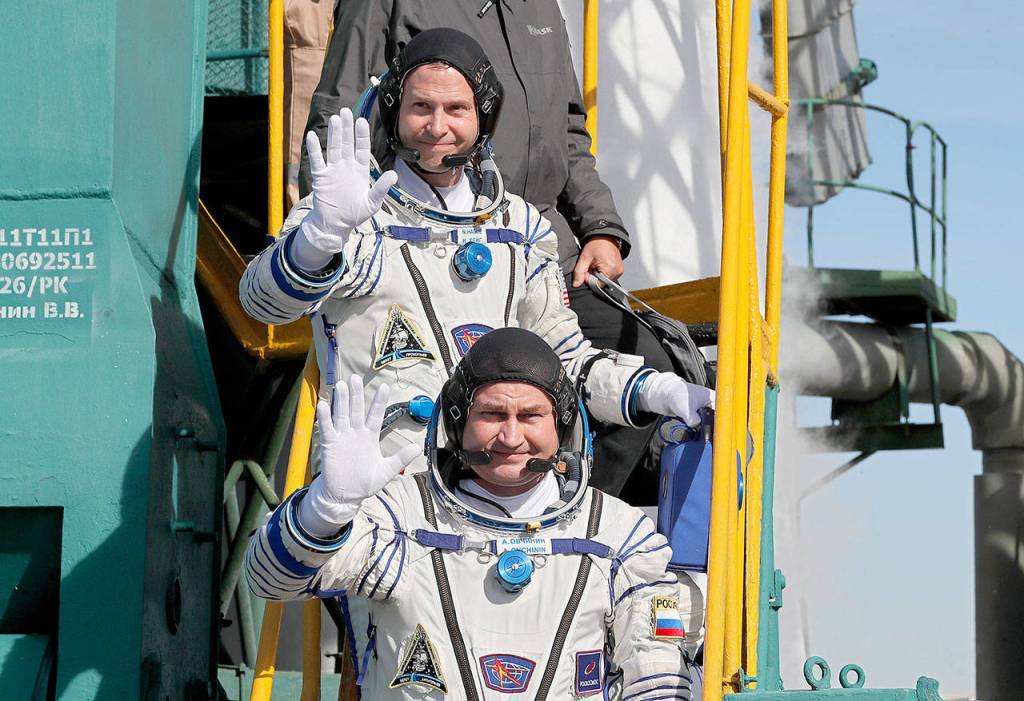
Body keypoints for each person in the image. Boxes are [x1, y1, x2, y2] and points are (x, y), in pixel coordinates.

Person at [240, 28, 713, 472]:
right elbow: (264, 304)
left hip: (493, 499)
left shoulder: (521, 229)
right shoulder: (350, 213)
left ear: (483, 116)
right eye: (420, 106)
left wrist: (659, 389)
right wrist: (320, 239)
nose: (436, 126)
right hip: (380, 494)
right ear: (393, 111)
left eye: (456, 109)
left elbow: (566, 362)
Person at [246, 327, 696, 699]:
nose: (512, 436)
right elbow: (268, 580)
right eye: (493, 414)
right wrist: (327, 509)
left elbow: (656, 679)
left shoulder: (617, 536)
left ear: (562, 426)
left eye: (532, 415)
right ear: (458, 423)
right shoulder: (403, 518)